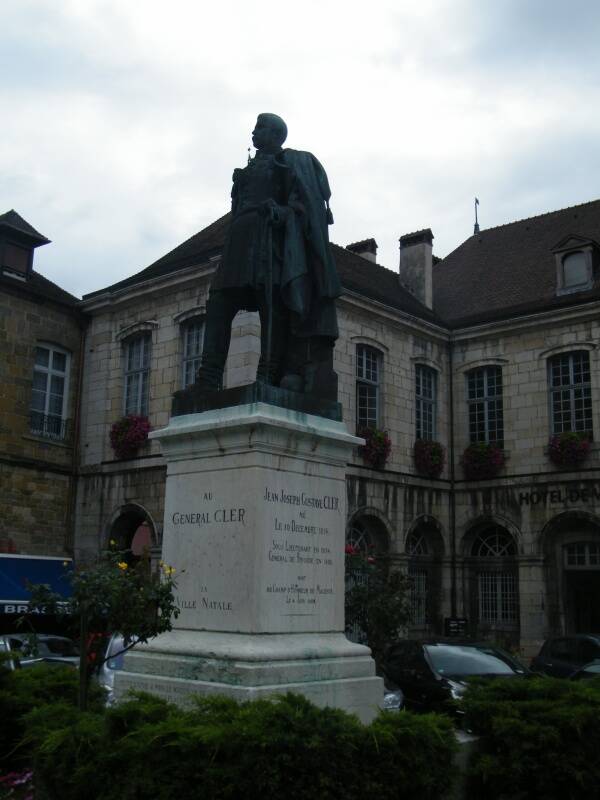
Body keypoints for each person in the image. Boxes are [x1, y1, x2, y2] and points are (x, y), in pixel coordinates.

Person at [196, 113, 341, 400]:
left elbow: (302, 208)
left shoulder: (288, 164)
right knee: (219, 303)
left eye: (260, 127)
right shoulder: (247, 170)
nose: (254, 131)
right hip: (237, 243)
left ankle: (268, 375)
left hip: (269, 242)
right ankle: (208, 379)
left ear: (276, 135)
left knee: (272, 307)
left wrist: (281, 212)